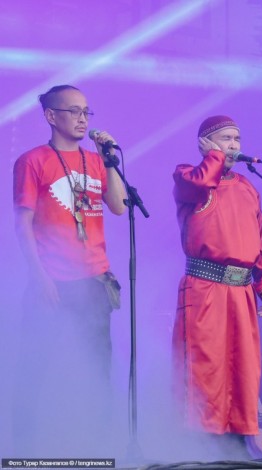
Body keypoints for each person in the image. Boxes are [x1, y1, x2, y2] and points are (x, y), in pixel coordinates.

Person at [12, 84, 126, 455]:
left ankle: (100, 447)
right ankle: (22, 449)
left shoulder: (96, 161)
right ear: (51, 116)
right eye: (73, 111)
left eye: (86, 112)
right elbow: (22, 225)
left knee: (98, 370)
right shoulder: (32, 161)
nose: (82, 119)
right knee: (34, 367)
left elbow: (119, 206)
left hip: (94, 281)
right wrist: (40, 277)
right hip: (53, 282)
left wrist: (109, 161)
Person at [171, 115, 262, 457]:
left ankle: (236, 442)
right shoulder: (187, 176)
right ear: (205, 143)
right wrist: (212, 157)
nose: (233, 145)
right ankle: (203, 445)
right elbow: (202, 182)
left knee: (242, 368)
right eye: (225, 139)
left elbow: (260, 242)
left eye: (236, 139)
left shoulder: (247, 188)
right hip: (205, 289)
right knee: (206, 368)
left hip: (241, 292)